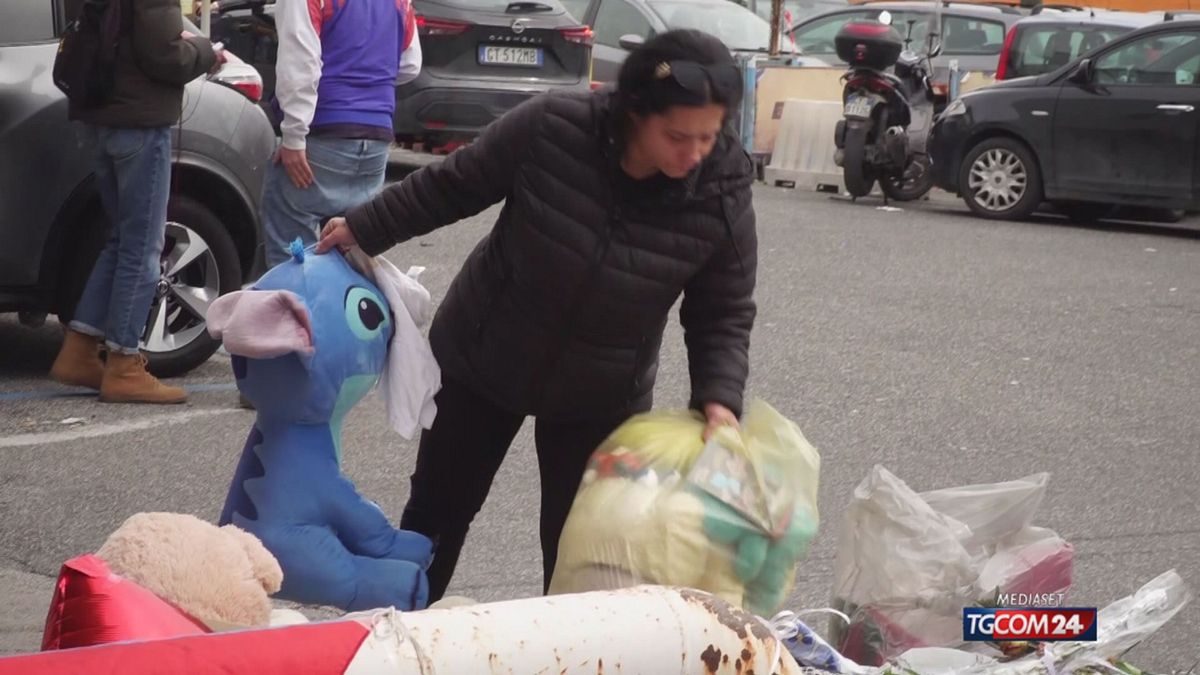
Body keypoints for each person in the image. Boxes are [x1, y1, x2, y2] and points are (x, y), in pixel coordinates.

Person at [318, 29, 758, 602]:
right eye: (677, 136)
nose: (694, 153)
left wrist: (719, 398)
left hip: (603, 392)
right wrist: (364, 226)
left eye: (709, 136)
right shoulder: (555, 126)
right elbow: (454, 185)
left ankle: (564, 649)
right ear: (635, 111)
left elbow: (722, 309)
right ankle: (404, 634)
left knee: (582, 551)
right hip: (484, 353)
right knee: (435, 519)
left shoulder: (722, 188)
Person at [51, 0, 223, 404]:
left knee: (121, 240)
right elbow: (166, 55)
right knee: (143, 246)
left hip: (101, 117)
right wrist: (206, 51)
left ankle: (80, 349)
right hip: (139, 123)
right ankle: (124, 365)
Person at [260, 0, 422, 267]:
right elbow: (409, 64)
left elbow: (300, 63)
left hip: (323, 132)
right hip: (376, 136)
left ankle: (295, 293)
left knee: (290, 253)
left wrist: (293, 137)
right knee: (353, 255)